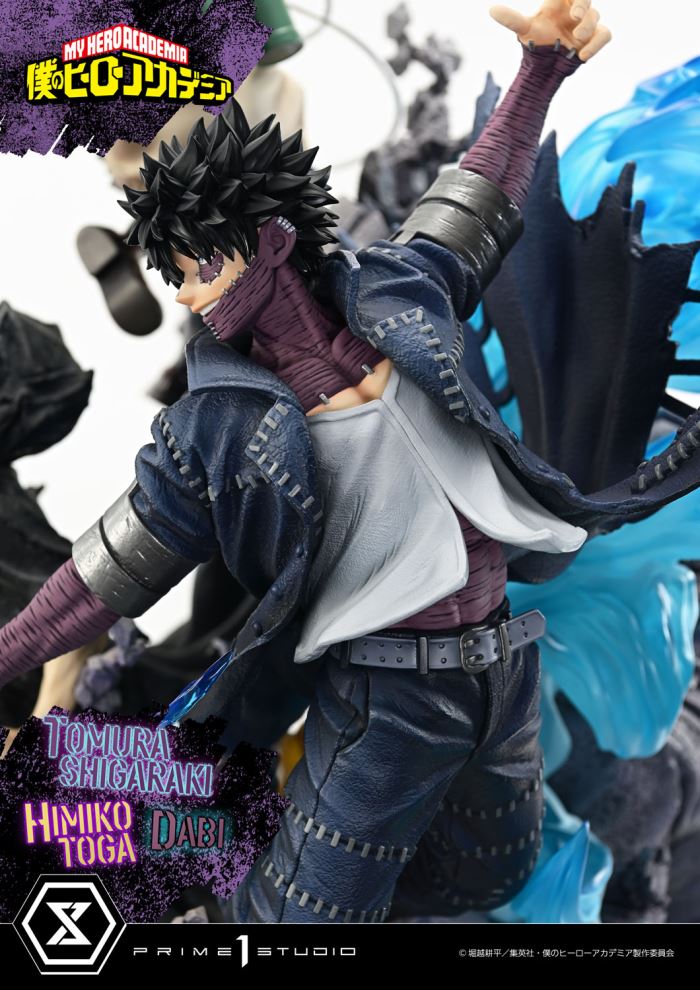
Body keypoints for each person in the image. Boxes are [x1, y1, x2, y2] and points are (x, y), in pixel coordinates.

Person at [10, 1, 695, 924]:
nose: (189, 296)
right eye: (176, 273)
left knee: (492, 877)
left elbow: (478, 194)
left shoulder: (399, 291)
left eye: (198, 268)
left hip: (506, 666)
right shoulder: (212, 431)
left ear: (268, 240)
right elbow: (100, 580)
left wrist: (540, 68)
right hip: (386, 693)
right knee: (294, 918)